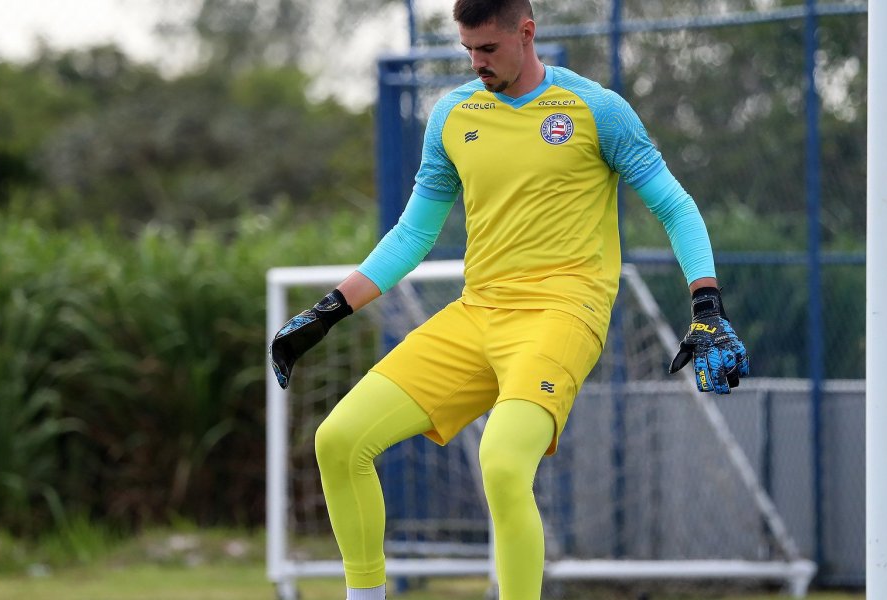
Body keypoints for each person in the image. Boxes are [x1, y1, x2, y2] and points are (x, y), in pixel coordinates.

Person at [268, 0, 750, 598]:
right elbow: (414, 234)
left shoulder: (596, 110)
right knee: (338, 441)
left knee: (501, 462)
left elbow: (676, 207)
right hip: (478, 312)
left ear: (527, 32)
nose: (476, 63)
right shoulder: (452, 115)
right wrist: (329, 310)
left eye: (488, 49)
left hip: (563, 314)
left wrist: (706, 306)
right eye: (467, 50)